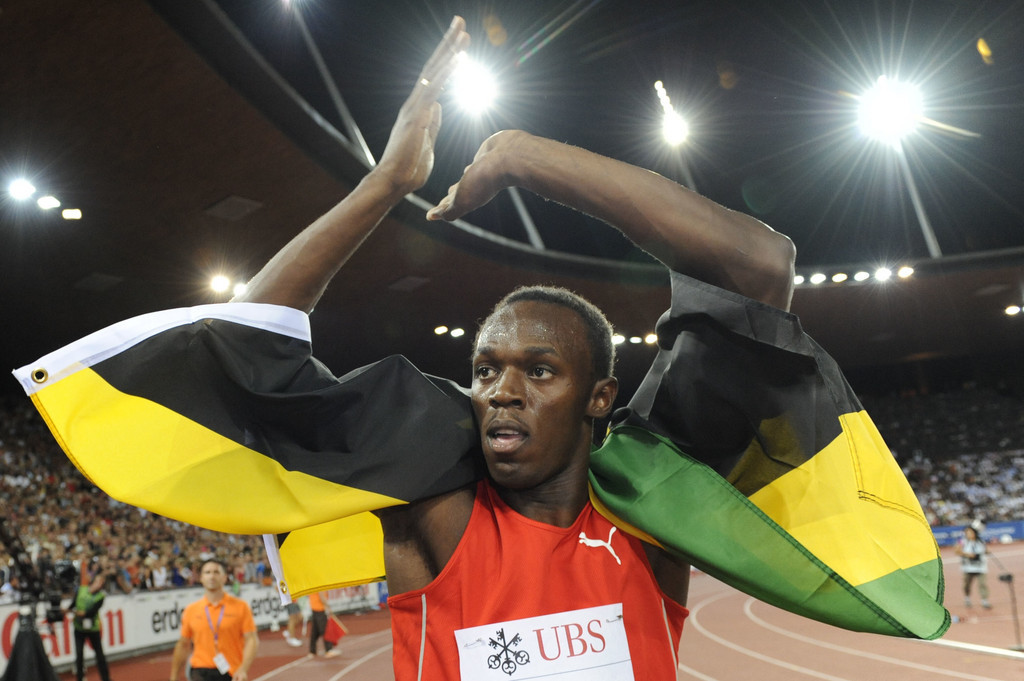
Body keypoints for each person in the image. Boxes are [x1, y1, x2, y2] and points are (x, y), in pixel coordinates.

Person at [234, 16, 794, 679]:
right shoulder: (435, 519)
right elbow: (245, 351)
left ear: (599, 396)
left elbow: (760, 266)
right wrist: (385, 184)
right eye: (485, 369)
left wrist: (524, 158)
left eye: (539, 369)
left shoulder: (653, 522)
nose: (502, 390)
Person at [170, 559, 259, 681]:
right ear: (201, 578)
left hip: (231, 672)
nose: (212, 576)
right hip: (199, 670)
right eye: (207, 572)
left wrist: (243, 669)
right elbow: (183, 644)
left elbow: (251, 640)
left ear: (224, 577)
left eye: (216, 572)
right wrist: (174, 676)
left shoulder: (241, 607)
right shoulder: (191, 610)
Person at [71, 571, 112, 681]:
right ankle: (79, 678)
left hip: (93, 629)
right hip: (79, 628)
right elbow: (73, 604)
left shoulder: (100, 596)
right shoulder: (82, 589)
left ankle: (106, 678)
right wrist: (70, 610)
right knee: (79, 655)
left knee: (100, 655)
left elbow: (90, 612)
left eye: (101, 582)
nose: (99, 584)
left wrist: (78, 612)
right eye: (98, 581)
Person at [957, 525, 991, 608]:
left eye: (970, 532)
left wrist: (987, 551)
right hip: (968, 567)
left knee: (982, 584)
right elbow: (957, 550)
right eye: (967, 533)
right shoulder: (963, 541)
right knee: (967, 585)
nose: (968, 534)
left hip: (980, 567)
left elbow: (987, 551)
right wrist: (968, 555)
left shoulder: (980, 541)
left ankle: (984, 600)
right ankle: (967, 598)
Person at [306, 591, 339, 658]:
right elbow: (322, 597)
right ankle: (328, 649)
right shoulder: (319, 584)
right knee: (325, 630)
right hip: (320, 609)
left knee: (315, 631)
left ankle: (312, 651)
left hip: (314, 608)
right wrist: (328, 608)